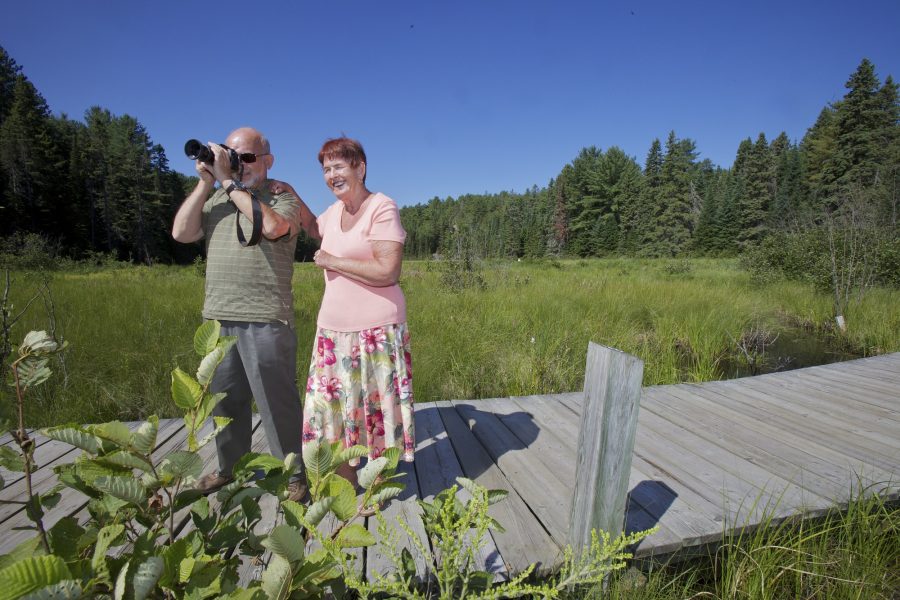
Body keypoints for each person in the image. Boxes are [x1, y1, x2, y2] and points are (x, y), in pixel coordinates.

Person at [171, 127, 319, 501]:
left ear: (268, 161)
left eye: (248, 157)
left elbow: (271, 227)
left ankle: (293, 475)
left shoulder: (281, 197)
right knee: (224, 401)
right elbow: (181, 233)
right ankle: (228, 469)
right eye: (234, 156)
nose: (240, 164)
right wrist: (208, 183)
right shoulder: (217, 198)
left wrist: (228, 182)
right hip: (219, 318)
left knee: (277, 403)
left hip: (267, 317)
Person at [280, 137, 414, 488]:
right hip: (332, 332)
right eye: (325, 169)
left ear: (360, 168)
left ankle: (375, 486)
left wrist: (333, 262)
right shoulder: (333, 212)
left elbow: (388, 271)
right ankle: (346, 482)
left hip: (377, 331)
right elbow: (312, 226)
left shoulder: (381, 207)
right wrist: (289, 191)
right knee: (333, 412)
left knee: (376, 412)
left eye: (339, 166)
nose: (331, 175)